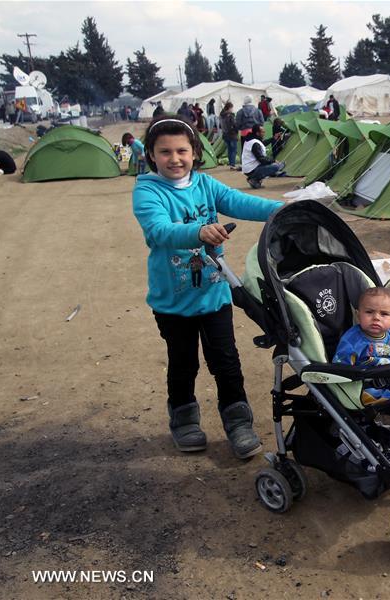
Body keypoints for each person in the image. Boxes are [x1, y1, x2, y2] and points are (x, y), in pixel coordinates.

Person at [131, 115, 283, 458]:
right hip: (172, 303)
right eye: (165, 151)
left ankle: (238, 421)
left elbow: (241, 202)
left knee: (226, 361)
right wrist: (198, 232)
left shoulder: (205, 184)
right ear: (151, 155)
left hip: (215, 294)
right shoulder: (147, 190)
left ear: (195, 151)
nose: (174, 158)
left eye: (181, 150)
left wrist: (284, 209)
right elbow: (158, 230)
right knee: (183, 363)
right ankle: (183, 420)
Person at [241, 124, 283, 188]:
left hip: (249, 168)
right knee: (277, 167)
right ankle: (254, 179)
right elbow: (261, 159)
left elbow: (262, 144)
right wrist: (273, 160)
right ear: (257, 133)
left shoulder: (252, 139)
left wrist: (273, 138)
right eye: (263, 132)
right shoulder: (254, 143)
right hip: (252, 169)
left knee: (274, 165)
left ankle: (254, 178)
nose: (264, 133)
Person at [219, 101, 240, 171]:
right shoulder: (230, 115)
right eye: (232, 108)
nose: (232, 109)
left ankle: (231, 164)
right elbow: (234, 125)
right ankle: (232, 165)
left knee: (229, 150)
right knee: (233, 150)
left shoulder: (221, 115)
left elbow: (220, 126)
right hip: (232, 135)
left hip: (225, 135)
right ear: (229, 108)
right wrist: (237, 131)